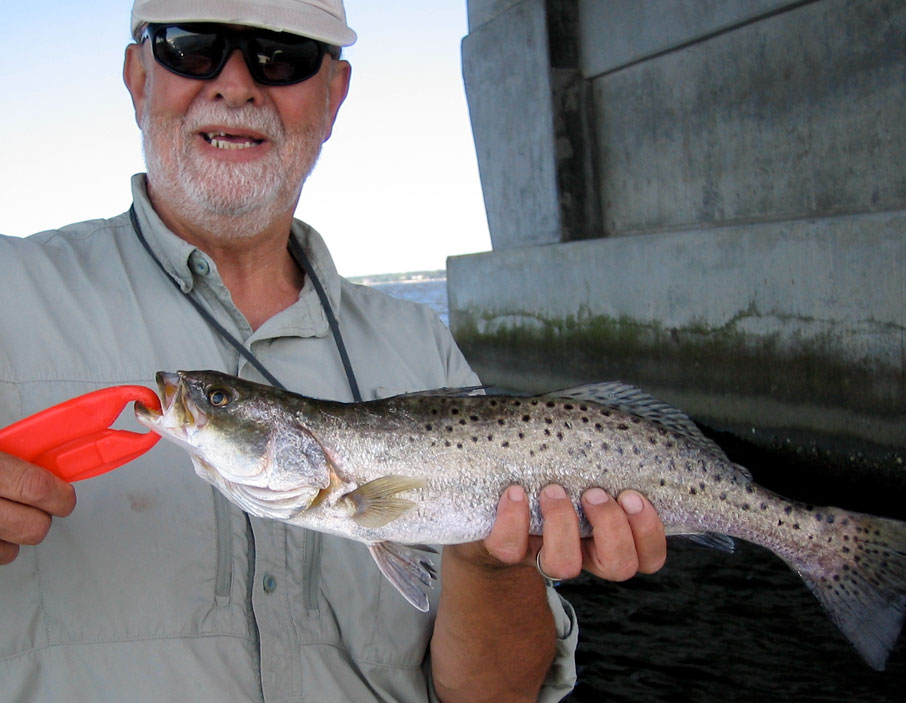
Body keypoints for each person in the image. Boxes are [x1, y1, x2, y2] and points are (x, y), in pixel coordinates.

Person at [0, 1, 667, 701]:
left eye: (281, 54)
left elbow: (494, 695)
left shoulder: (424, 350)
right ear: (138, 76)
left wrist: (492, 565)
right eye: (192, 47)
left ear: (333, 94)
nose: (235, 83)